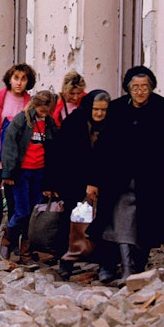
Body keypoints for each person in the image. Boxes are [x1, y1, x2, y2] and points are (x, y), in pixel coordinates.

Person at [88, 66, 164, 284]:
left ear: (152, 88)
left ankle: (136, 266)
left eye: (144, 87)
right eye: (135, 87)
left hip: (151, 176)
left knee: (146, 222)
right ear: (128, 88)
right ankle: (111, 265)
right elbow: (103, 146)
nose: (140, 92)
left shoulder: (163, 108)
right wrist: (93, 179)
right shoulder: (117, 108)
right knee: (116, 219)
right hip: (118, 174)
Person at [53, 89, 111, 278]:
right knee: (71, 223)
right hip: (74, 180)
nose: (99, 114)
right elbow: (62, 153)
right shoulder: (75, 122)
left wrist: (96, 182)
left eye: (103, 110)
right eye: (96, 109)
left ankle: (104, 263)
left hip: (103, 182)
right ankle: (67, 261)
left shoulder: (112, 126)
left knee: (103, 223)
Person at [0, 90, 58, 264]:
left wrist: (51, 180)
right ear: (35, 105)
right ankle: (8, 237)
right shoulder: (22, 120)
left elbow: (54, 150)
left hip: (40, 172)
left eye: (47, 110)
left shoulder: (49, 123)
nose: (43, 113)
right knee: (22, 211)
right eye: (41, 109)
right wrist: (8, 172)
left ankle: (26, 250)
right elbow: (9, 145)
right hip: (21, 172)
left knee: (34, 213)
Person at [0, 63, 36, 184]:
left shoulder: (31, 105)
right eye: (16, 78)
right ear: (10, 79)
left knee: (11, 201)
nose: (19, 83)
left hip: (16, 164)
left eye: (23, 79)